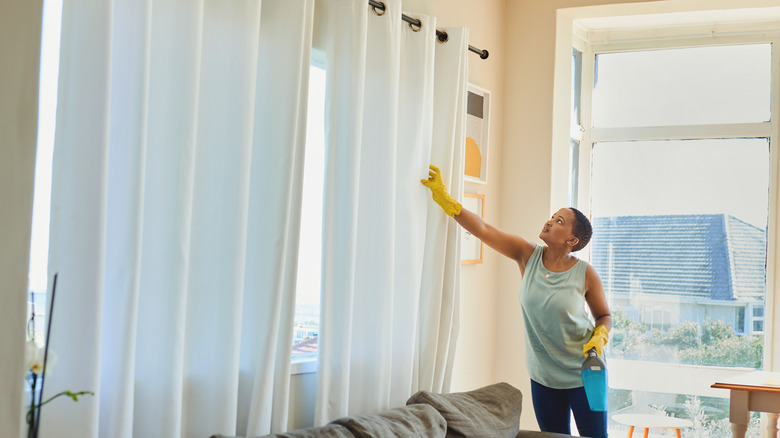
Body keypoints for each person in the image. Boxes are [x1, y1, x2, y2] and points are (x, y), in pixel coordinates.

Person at [421, 164, 611, 438]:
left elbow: (604, 314)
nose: (549, 221)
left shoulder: (585, 273)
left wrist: (600, 334)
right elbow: (485, 229)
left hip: (586, 374)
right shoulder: (527, 255)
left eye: (559, 221)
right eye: (552, 216)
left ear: (572, 239)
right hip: (544, 378)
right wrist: (447, 200)